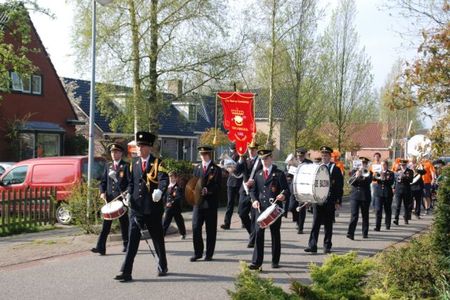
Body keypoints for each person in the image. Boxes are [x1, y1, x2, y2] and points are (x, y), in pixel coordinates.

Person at [114, 131, 169, 282]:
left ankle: (162, 265)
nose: (139, 148)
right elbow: (131, 184)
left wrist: (160, 190)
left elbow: (164, 180)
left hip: (152, 208)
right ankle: (126, 271)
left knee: (157, 239)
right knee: (132, 240)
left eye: (142, 146)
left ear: (149, 147)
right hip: (137, 209)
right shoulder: (134, 164)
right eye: (138, 145)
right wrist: (128, 196)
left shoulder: (158, 163)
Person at [248, 149, 289, 270]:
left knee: (275, 234)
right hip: (260, 209)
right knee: (259, 234)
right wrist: (254, 200)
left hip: (274, 209)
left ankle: (275, 260)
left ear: (271, 158)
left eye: (266, 158)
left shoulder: (279, 174)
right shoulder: (258, 174)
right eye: (262, 159)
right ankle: (256, 262)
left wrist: (283, 196)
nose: (264, 161)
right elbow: (253, 191)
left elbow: (286, 190)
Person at [91, 143, 130, 255]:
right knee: (106, 225)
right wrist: (102, 192)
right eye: (112, 152)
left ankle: (126, 244)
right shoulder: (108, 166)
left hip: (121, 200)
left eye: (116, 152)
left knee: (124, 223)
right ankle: (100, 247)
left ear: (121, 153)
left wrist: (126, 193)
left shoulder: (126, 166)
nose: (114, 154)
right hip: (110, 201)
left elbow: (130, 183)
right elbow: (103, 182)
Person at [305, 146, 343, 254]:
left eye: (326, 155)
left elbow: (339, 186)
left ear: (330, 156)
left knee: (328, 224)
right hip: (317, 200)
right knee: (315, 223)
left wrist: (338, 201)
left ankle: (327, 246)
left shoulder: (334, 169)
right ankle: (312, 245)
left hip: (329, 200)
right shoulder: (316, 167)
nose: (324, 157)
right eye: (322, 155)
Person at [190, 145, 222, 262]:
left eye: (205, 154)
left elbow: (219, 186)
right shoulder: (197, 168)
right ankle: (198, 252)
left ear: (209, 154)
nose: (202, 156)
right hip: (198, 203)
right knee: (195, 227)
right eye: (201, 154)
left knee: (210, 229)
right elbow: (193, 182)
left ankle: (209, 254)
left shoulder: (216, 169)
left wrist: (209, 190)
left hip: (210, 203)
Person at [236, 141, 261, 248]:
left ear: (256, 150)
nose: (251, 151)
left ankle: (252, 240)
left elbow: (262, 176)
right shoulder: (244, 160)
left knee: (255, 216)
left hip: (256, 191)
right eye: (250, 149)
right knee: (241, 213)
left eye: (253, 149)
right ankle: (252, 233)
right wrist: (240, 159)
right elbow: (237, 172)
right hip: (245, 190)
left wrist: (254, 181)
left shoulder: (260, 161)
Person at [347, 157, 373, 240]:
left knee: (365, 215)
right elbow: (350, 182)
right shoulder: (353, 172)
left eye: (364, 163)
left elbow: (368, 182)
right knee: (354, 215)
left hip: (365, 196)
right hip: (354, 196)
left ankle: (365, 233)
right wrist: (356, 176)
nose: (362, 165)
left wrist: (361, 176)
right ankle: (350, 233)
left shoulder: (369, 172)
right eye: (361, 163)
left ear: (366, 164)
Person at [288, 147, 312, 234]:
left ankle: (300, 227)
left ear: (304, 155)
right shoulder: (294, 163)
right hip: (293, 188)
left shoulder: (309, 163)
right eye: (298, 156)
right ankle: (297, 221)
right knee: (291, 207)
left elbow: (310, 175)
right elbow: (289, 176)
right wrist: (289, 168)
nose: (299, 158)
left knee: (301, 208)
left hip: (303, 188)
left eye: (301, 156)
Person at [221, 143, 243, 229]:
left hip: (239, 182)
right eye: (232, 150)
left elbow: (239, 169)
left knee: (241, 204)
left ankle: (244, 221)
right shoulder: (229, 157)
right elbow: (227, 171)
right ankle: (227, 223)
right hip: (231, 183)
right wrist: (223, 166)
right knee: (230, 204)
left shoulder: (241, 157)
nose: (233, 151)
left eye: (234, 149)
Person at [162, 171, 186, 239]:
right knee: (165, 222)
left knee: (179, 222)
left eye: (172, 177)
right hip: (168, 208)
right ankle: (162, 236)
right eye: (170, 177)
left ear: (175, 178)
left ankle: (183, 233)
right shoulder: (167, 187)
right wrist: (165, 204)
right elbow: (164, 197)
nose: (171, 179)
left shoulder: (178, 187)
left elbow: (178, 197)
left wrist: (171, 203)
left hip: (176, 208)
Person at [372, 160, 395, 231]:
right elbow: (373, 179)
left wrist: (384, 178)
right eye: (382, 165)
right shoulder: (377, 172)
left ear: (387, 165)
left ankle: (387, 224)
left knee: (387, 209)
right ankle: (377, 226)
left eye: (384, 165)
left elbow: (391, 182)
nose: (383, 166)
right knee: (378, 210)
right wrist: (376, 175)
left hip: (387, 193)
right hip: (378, 193)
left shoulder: (390, 173)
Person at [393, 159, 414, 225]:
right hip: (398, 189)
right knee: (397, 205)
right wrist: (393, 187)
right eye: (401, 165)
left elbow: (411, 180)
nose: (402, 166)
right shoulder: (397, 171)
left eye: (404, 165)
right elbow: (395, 180)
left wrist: (404, 176)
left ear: (406, 165)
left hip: (406, 189)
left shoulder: (410, 171)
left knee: (406, 205)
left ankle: (406, 218)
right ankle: (396, 219)